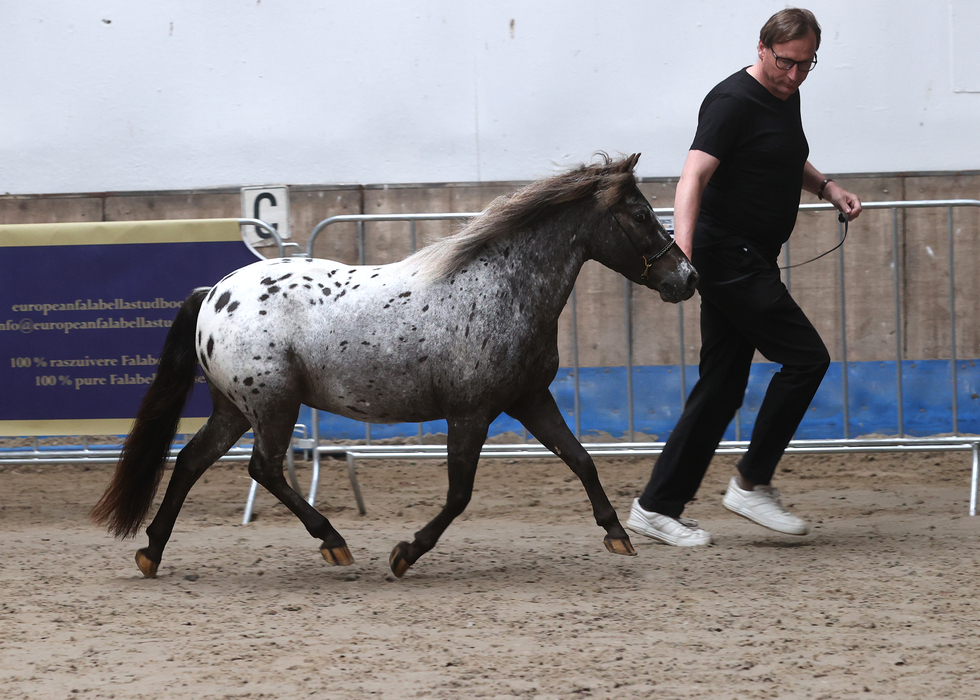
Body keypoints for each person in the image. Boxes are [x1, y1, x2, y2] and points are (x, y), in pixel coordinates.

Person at [626, 7, 863, 546]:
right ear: (761, 49)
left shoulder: (785, 94)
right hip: (727, 256)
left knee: (722, 385)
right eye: (785, 63)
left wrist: (828, 188)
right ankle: (752, 483)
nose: (794, 75)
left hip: (752, 255)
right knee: (807, 359)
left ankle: (656, 507)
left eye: (806, 65)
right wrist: (684, 252)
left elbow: (782, 157)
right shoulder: (732, 101)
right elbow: (693, 176)